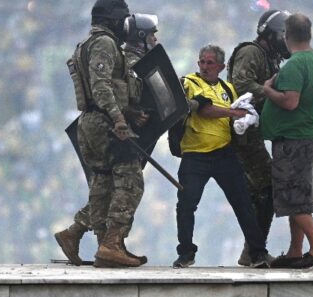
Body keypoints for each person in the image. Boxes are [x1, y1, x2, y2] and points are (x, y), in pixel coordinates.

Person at [53, 11, 155, 266]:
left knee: (103, 181)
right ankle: (111, 243)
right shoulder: (105, 43)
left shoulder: (86, 45)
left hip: (89, 121)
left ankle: (77, 235)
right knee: (131, 179)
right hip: (105, 122)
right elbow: (101, 87)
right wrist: (120, 118)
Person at [260, 13, 313, 268]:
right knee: (301, 195)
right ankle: (295, 250)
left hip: (295, 139)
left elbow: (290, 101)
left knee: (293, 196)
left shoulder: (294, 64)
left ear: (285, 36)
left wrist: (267, 90)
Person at [172, 44, 270, 268]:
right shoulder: (189, 83)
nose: (205, 67)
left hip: (224, 153)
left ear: (221, 66)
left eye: (210, 63)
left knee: (243, 203)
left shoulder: (228, 88)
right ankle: (186, 253)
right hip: (195, 154)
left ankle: (258, 253)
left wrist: (245, 119)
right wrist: (233, 113)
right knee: (186, 204)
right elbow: (204, 110)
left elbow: (241, 111)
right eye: (202, 62)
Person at [226, 9, 290, 267]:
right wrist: (270, 90)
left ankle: (253, 250)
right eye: (284, 34)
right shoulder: (251, 52)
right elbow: (240, 86)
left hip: (253, 133)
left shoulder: (269, 57)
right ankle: (254, 251)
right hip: (243, 133)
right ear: (272, 34)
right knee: (266, 188)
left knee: (263, 192)